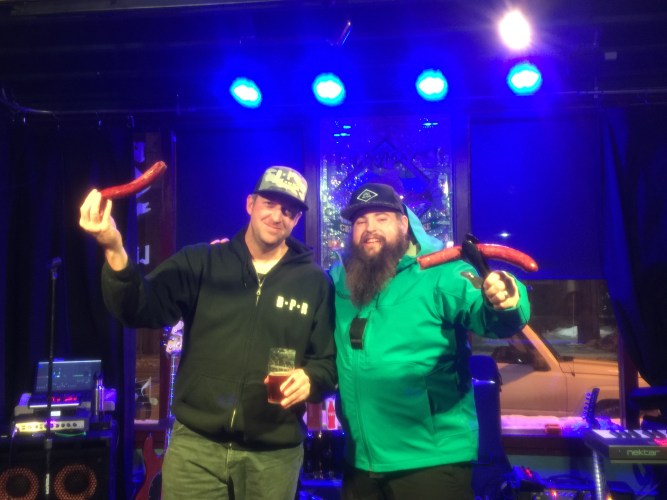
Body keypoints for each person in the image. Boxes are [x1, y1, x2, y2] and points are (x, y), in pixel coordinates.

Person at [79, 166, 336, 500]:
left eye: (288, 210)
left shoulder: (314, 282)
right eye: (270, 204)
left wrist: (311, 379)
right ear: (250, 204)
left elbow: (327, 363)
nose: (277, 216)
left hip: (273, 458)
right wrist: (114, 248)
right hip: (195, 451)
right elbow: (138, 306)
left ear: (297, 219)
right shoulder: (203, 261)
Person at [329, 182, 531, 500]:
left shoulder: (441, 274)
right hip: (360, 463)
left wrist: (506, 299)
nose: (369, 229)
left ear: (403, 223)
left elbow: (490, 315)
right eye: (360, 221)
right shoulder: (341, 281)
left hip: (430, 462)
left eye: (381, 218)